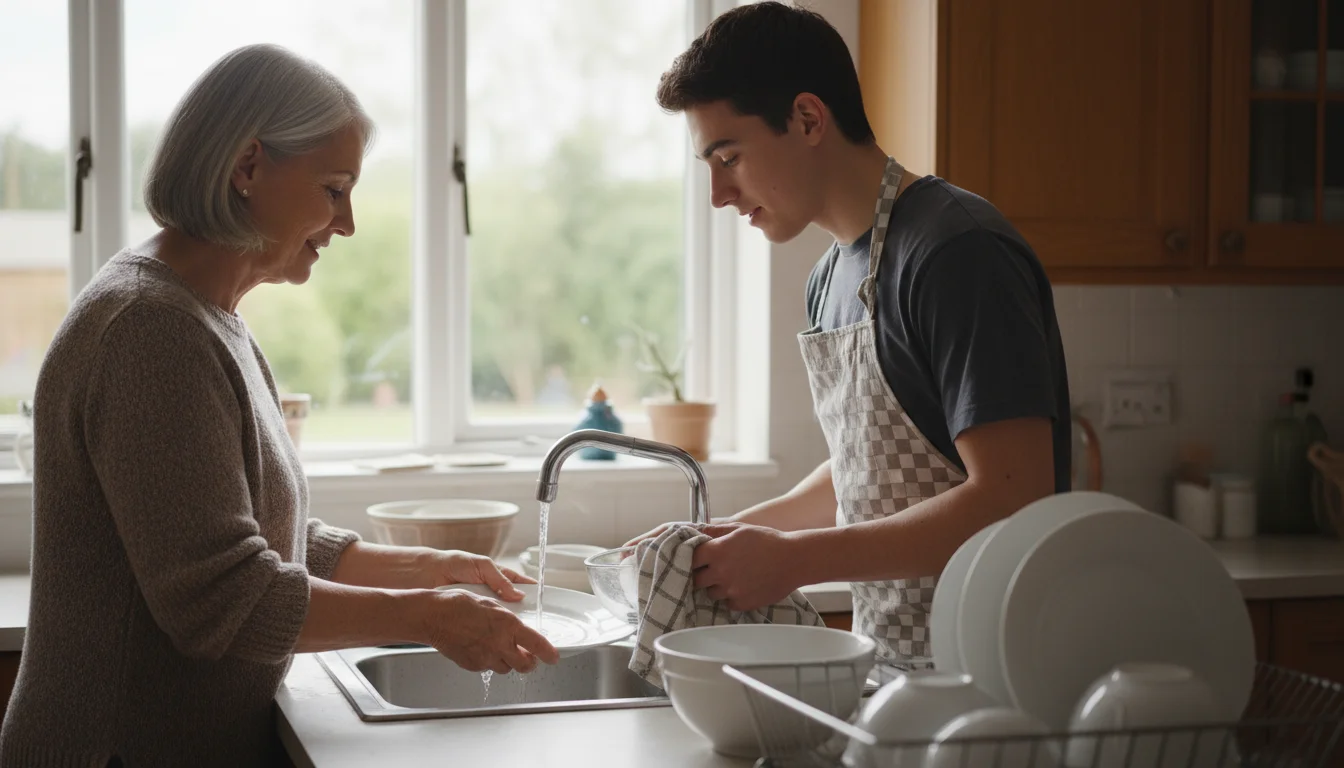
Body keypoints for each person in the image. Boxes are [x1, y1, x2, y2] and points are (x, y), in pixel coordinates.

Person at [0, 44, 558, 768]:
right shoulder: (149, 329)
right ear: (248, 167)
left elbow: (240, 526)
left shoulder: (204, 316)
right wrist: (425, 616)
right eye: (334, 189)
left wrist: (426, 568)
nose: (348, 222)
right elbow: (222, 598)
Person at [631, 2, 1071, 663]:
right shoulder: (829, 279)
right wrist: (719, 541)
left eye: (729, 156)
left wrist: (795, 560)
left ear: (808, 118)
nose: (720, 193)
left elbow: (1011, 496)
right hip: (893, 664)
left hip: (995, 668)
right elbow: (870, 467)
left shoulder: (957, 251)